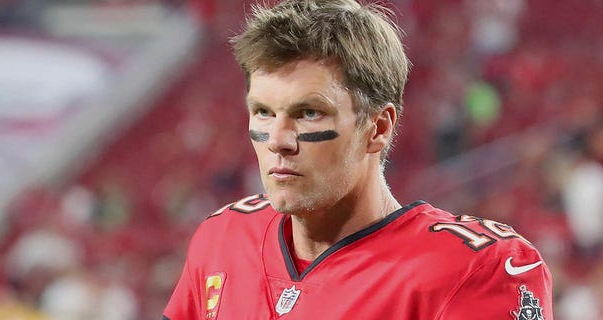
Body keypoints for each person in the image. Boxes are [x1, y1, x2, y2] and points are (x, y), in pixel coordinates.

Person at [162, 0, 553, 319]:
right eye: (263, 111)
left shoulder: (476, 271)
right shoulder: (224, 237)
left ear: (378, 128)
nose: (278, 140)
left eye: (309, 112)